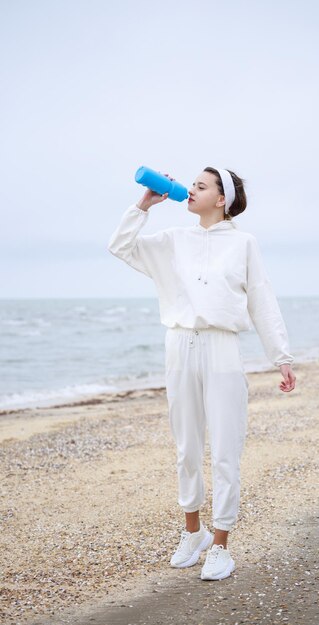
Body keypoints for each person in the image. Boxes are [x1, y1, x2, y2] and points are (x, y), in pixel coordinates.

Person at [107, 166, 296, 581]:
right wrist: (143, 206)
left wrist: (281, 357)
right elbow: (120, 246)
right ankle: (193, 534)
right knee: (186, 447)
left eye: (201, 186)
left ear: (222, 198)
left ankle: (222, 546)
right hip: (178, 346)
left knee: (226, 450)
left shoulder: (244, 243)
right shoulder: (173, 240)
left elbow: (262, 301)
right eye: (191, 184)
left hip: (222, 348)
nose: (190, 190)